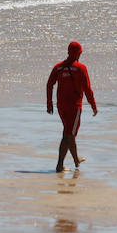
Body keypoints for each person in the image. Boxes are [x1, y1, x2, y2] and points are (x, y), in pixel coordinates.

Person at [46, 41, 98, 173]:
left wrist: (49, 103)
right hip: (74, 107)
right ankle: (59, 165)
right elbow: (87, 89)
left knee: (69, 134)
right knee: (68, 134)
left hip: (61, 107)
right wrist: (93, 105)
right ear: (78, 53)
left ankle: (76, 160)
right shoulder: (81, 68)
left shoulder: (58, 67)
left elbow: (49, 85)